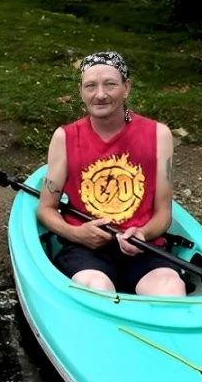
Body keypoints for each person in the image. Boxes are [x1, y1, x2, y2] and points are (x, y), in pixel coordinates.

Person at [37, 51, 185, 297]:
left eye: (110, 84)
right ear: (81, 91)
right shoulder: (65, 137)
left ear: (126, 88)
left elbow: (163, 213)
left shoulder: (159, 135)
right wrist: (77, 234)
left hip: (142, 246)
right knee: (99, 288)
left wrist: (143, 233)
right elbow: (46, 209)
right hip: (85, 248)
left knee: (172, 287)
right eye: (91, 86)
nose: (100, 94)